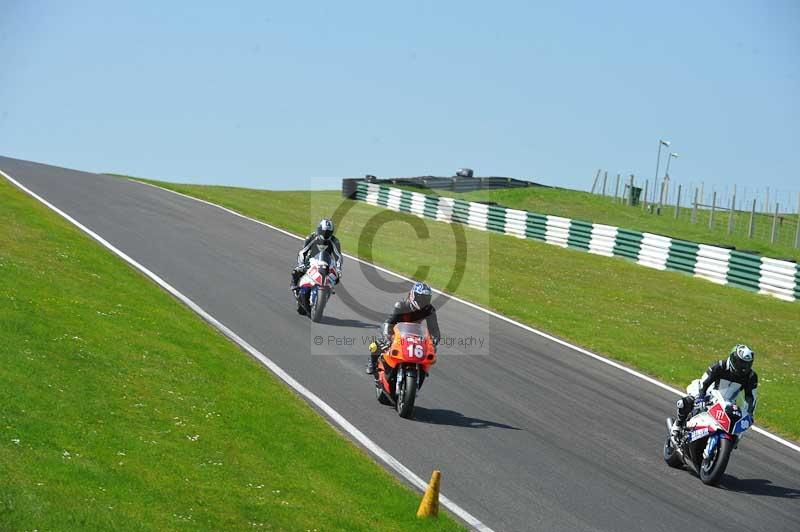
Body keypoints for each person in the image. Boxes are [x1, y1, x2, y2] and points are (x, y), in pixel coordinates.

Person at [671, 344, 758, 438]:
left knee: (735, 424)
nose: (743, 367)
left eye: (747, 364)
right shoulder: (720, 366)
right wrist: (700, 397)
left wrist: (749, 413)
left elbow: (751, 396)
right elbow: (705, 382)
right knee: (687, 402)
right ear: (733, 359)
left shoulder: (751, 376)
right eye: (741, 362)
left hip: (727, 402)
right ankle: (677, 426)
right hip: (708, 393)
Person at [365, 281, 441, 375]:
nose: (423, 301)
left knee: (427, 351)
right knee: (376, 344)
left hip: (415, 333)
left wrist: (434, 341)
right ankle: (372, 362)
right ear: (413, 296)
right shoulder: (401, 306)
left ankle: (421, 371)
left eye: (426, 298)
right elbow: (389, 323)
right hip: (397, 331)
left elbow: (434, 330)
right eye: (421, 298)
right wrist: (387, 337)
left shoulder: (429, 310)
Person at [290, 218, 343, 290]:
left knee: (337, 278)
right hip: (311, 261)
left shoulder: (335, 241)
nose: (325, 234)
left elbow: (338, 257)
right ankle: (294, 286)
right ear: (319, 230)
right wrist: (301, 264)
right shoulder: (311, 238)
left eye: (328, 233)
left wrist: (338, 269)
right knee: (296, 272)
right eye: (323, 231)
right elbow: (303, 252)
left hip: (327, 263)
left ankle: (328, 289)